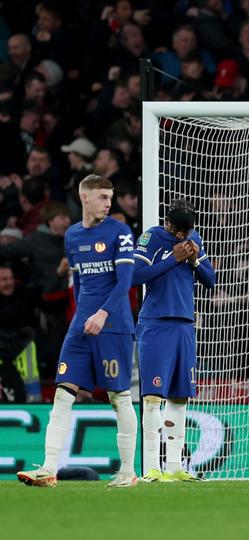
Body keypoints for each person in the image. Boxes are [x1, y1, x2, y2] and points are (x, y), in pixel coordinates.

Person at [17, 175, 138, 488]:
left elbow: (124, 282)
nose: (108, 203)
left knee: (118, 395)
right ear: (85, 197)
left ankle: (127, 470)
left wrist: (102, 313)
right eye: (102, 197)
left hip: (112, 326)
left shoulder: (121, 232)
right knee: (62, 392)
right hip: (82, 326)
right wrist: (82, 315)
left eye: (110, 197)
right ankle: (48, 468)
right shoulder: (72, 236)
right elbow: (81, 281)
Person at [132, 199, 216, 482]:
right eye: (180, 231)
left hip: (185, 325)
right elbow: (134, 275)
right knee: (153, 397)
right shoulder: (152, 237)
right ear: (168, 223)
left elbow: (211, 279)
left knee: (180, 396)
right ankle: (152, 466)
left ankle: (175, 467)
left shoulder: (193, 239)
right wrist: (172, 259)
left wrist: (192, 259)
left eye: (187, 232)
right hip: (156, 323)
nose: (183, 237)